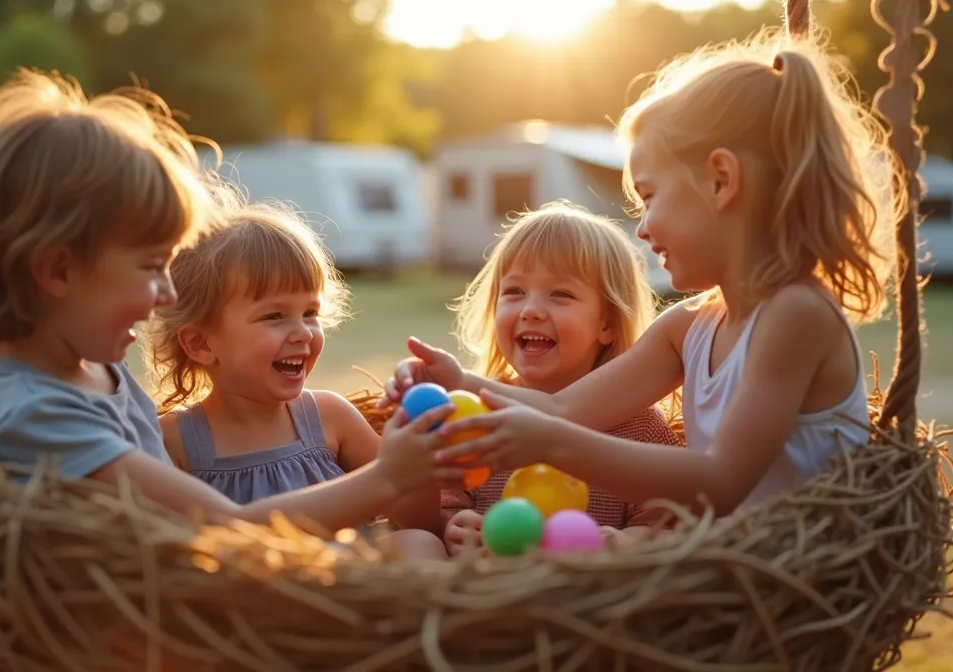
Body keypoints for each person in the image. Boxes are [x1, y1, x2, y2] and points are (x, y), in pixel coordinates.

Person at [383, 33, 901, 529]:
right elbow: (566, 408)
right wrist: (460, 381)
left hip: (789, 584)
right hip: (726, 573)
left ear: (721, 180)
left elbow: (721, 480)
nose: (643, 227)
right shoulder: (691, 324)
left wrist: (551, 444)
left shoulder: (796, 314)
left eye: (650, 196)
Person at [0, 70, 450, 541]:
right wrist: (387, 477)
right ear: (59, 272)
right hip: (200, 611)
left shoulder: (82, 359)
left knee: (415, 545)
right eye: (150, 266)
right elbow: (229, 530)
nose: (166, 294)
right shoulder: (37, 413)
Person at [144, 191, 446, 559]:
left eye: (310, 313)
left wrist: (423, 456)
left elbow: (422, 519)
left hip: (355, 589)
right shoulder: (174, 442)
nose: (303, 332)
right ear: (201, 343)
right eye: (274, 316)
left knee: (420, 544)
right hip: (254, 603)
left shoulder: (329, 417)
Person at [437, 202, 682, 556]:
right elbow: (446, 499)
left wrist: (622, 543)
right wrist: (455, 524)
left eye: (560, 294)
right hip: (489, 592)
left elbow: (668, 522)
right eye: (514, 292)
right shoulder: (476, 414)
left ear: (607, 325)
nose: (531, 310)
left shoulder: (638, 424)